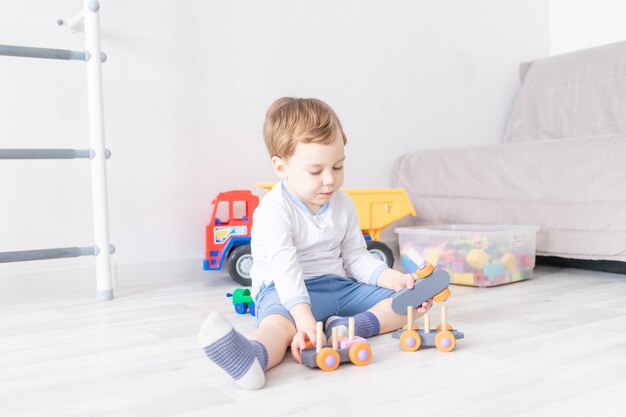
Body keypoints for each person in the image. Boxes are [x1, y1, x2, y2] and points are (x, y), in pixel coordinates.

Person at [198, 97, 432, 389]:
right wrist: (304, 320)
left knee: (407, 305)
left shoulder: (343, 204)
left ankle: (346, 327)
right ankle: (252, 358)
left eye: (337, 167)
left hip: (337, 287)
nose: (329, 180)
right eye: (315, 171)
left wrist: (394, 279)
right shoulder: (274, 210)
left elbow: (356, 257)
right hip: (283, 291)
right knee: (278, 328)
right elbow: (285, 268)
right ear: (281, 168)